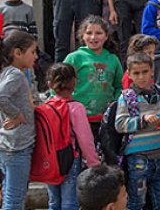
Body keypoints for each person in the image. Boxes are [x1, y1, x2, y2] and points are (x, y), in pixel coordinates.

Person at [114, 52, 160, 210]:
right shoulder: (127, 98)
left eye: (145, 72)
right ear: (129, 74)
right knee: (136, 201)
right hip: (138, 159)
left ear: (152, 71)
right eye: (136, 73)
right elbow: (120, 124)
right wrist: (143, 120)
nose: (141, 77)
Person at [0, 31, 38, 210]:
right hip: (17, 146)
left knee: (10, 194)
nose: (36, 56)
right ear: (17, 53)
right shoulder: (15, 74)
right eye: (32, 52)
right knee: (15, 199)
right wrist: (16, 115)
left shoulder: (9, 72)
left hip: (9, 144)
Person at [45, 63, 100, 210]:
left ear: (50, 84)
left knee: (53, 200)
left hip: (50, 159)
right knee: (70, 200)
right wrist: (93, 162)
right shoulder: (76, 108)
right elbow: (85, 138)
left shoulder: (45, 107)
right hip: (70, 158)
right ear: (74, 83)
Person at [64, 16, 124, 132]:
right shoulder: (74, 58)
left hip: (106, 119)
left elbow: (119, 86)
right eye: (89, 33)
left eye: (98, 33)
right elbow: (59, 84)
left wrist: (115, 104)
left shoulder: (113, 59)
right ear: (82, 36)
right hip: (78, 118)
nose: (93, 37)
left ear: (106, 36)